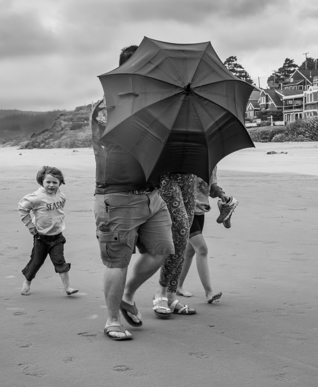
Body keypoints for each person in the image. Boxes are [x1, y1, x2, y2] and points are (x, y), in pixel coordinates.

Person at [92, 45, 175, 341]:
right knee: (117, 261)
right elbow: (124, 137)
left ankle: (127, 295)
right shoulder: (108, 105)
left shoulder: (154, 106)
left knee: (163, 249)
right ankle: (112, 319)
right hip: (117, 197)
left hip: (151, 195)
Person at [177, 167, 238, 303]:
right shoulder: (187, 162)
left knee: (190, 250)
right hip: (184, 210)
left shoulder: (211, 163)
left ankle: (177, 285)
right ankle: (209, 292)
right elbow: (176, 187)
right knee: (202, 249)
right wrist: (193, 202)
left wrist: (222, 196)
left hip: (200, 211)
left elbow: (211, 189)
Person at [18, 166, 78, 297]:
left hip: (57, 237)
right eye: (48, 182)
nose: (51, 185)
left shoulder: (61, 195)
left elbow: (59, 210)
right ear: (41, 182)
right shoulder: (36, 197)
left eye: (55, 182)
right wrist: (30, 226)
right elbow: (22, 208)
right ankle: (27, 282)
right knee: (36, 262)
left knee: (60, 261)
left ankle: (68, 287)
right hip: (41, 237)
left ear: (60, 183)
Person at [152, 172, 197, 318]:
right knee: (181, 233)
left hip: (190, 176)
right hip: (167, 176)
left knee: (183, 241)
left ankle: (171, 295)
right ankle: (161, 292)